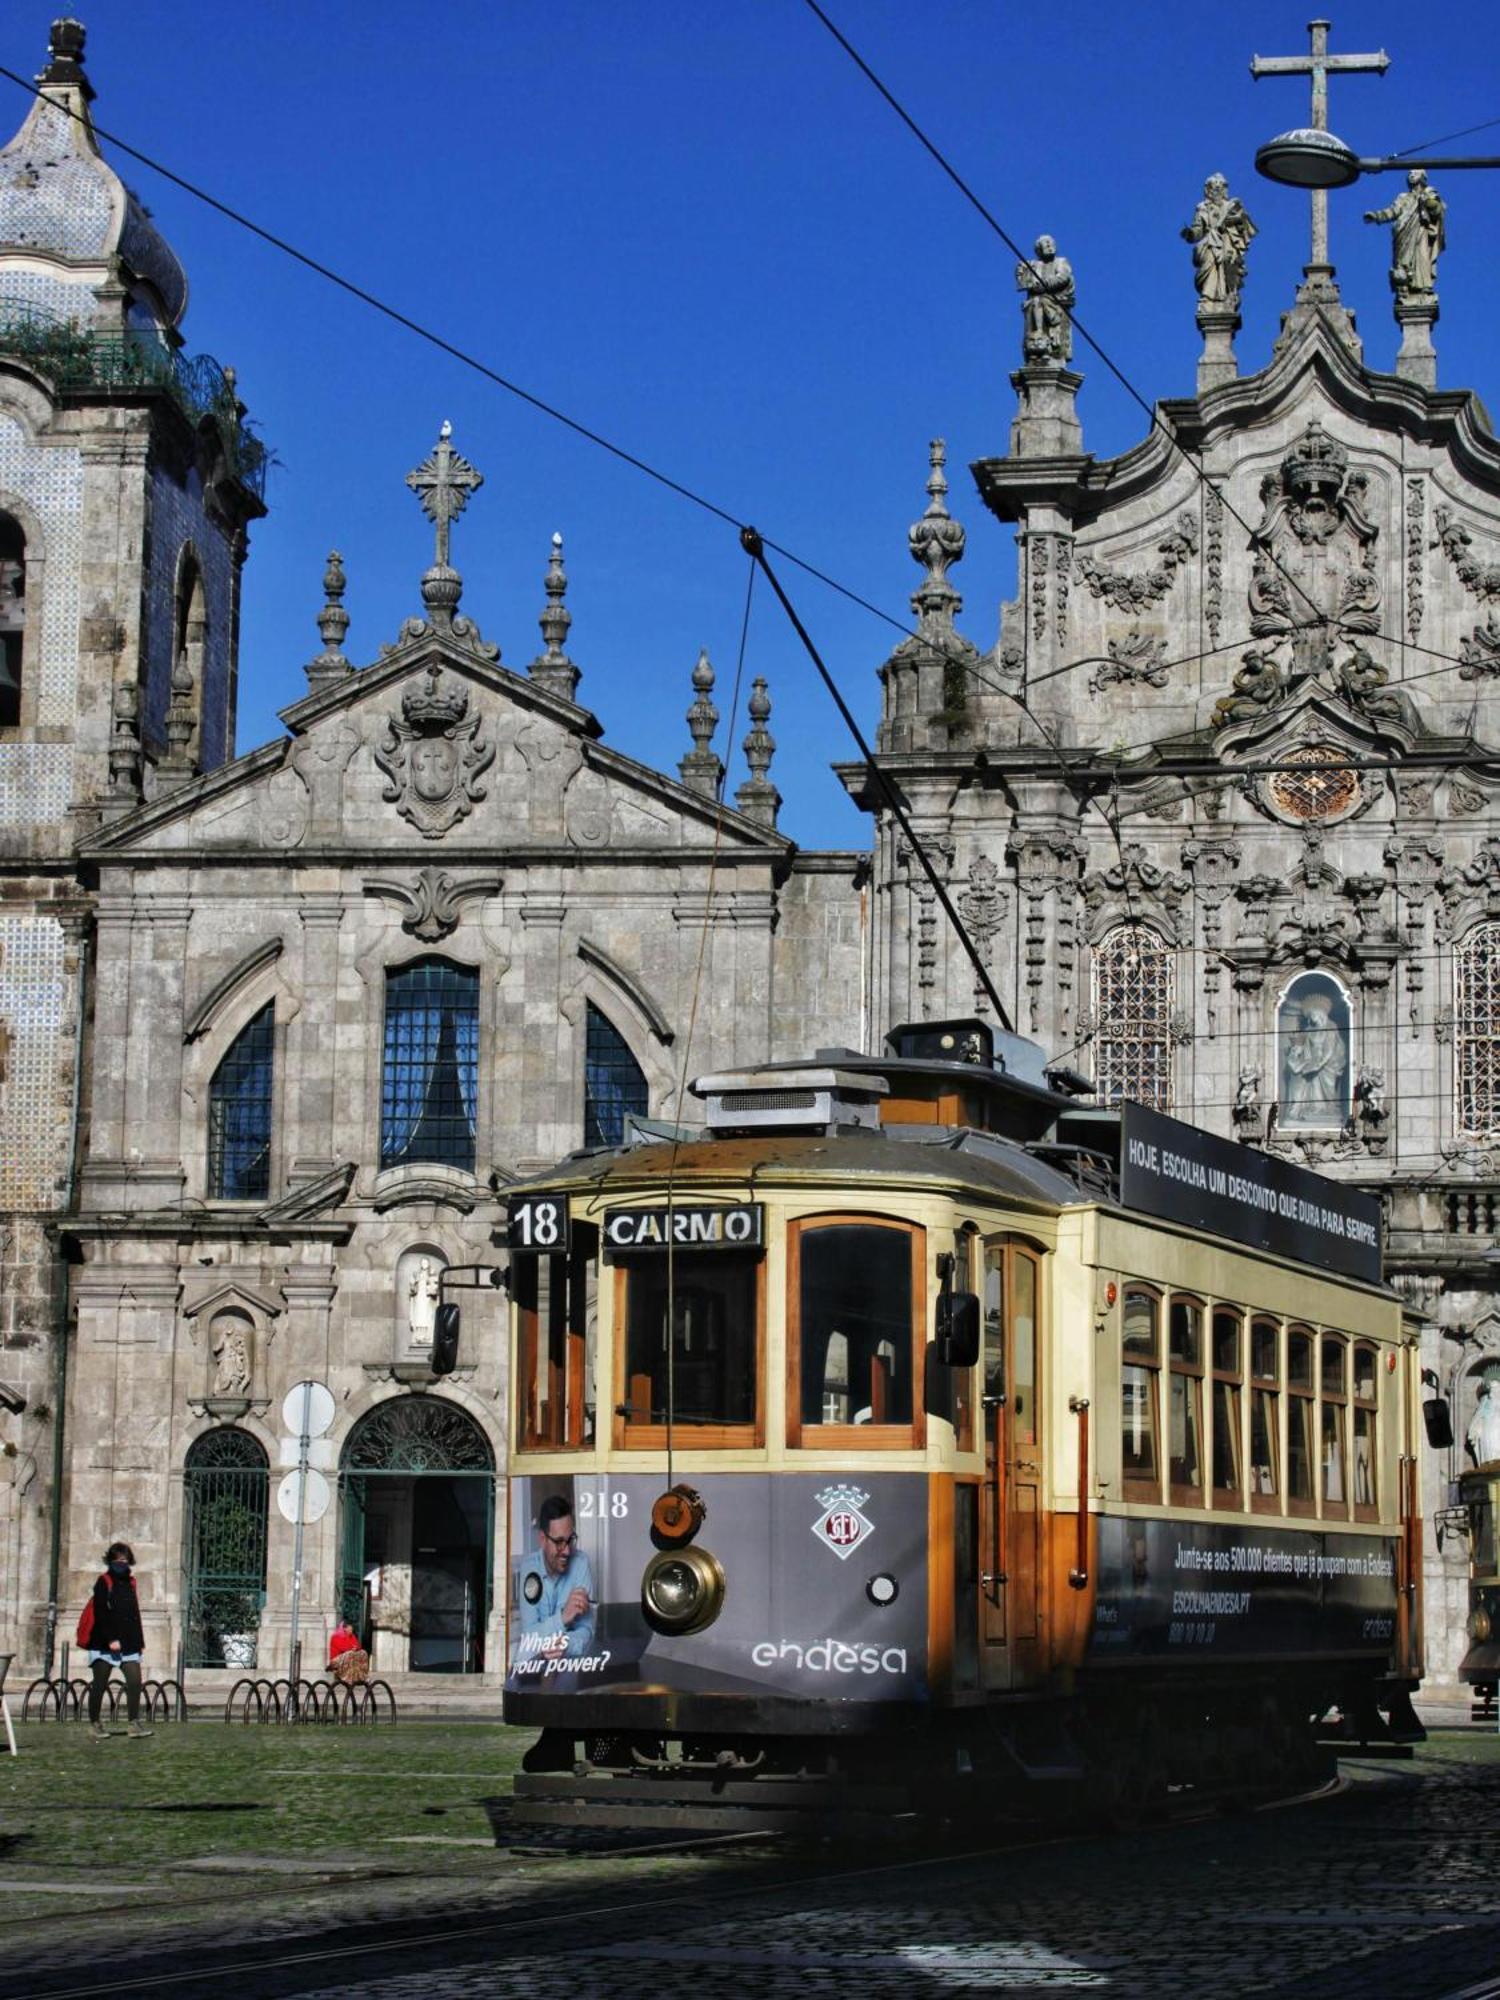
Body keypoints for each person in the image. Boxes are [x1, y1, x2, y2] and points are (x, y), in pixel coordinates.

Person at [77, 1542, 152, 1742]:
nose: (122, 1564)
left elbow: (134, 1613)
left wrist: (139, 1641)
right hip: (104, 1643)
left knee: (135, 1681)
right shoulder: (103, 1581)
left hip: (129, 1643)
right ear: (111, 1561)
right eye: (118, 1560)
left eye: (125, 1561)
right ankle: (95, 1723)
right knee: (100, 1684)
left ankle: (134, 1722)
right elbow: (101, 1612)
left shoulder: (131, 1582)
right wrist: (111, 1639)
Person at [516, 1495, 595, 1658]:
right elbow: (528, 1637)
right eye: (559, 1542)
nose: (566, 1551)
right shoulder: (529, 1568)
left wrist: (565, 1643)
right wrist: (563, 1617)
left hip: (569, 1662)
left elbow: (586, 1630)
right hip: (534, 1665)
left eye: (570, 1540)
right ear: (543, 1539)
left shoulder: (581, 1563)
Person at [1364, 168, 1446, 302]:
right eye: (1410, 173)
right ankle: (1405, 288)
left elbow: (1436, 210)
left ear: (1422, 177)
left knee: (1422, 257)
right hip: (1403, 233)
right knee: (1403, 263)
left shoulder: (1429, 193)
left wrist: (1428, 201)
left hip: (1420, 232)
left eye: (1414, 173)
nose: (1411, 175)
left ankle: (1423, 287)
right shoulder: (1403, 197)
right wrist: (1376, 216)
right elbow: (1392, 211)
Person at [1181, 173, 1257, 309]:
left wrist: (1237, 220)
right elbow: (1198, 230)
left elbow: (1244, 226)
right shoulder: (1202, 208)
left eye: (1219, 189)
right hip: (1210, 243)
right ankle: (1208, 297)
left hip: (1227, 243)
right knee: (1209, 264)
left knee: (1229, 262)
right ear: (1208, 191)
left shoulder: (1231, 206)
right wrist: (1190, 234)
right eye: (1213, 189)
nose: (1216, 192)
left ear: (1224, 190)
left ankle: (1229, 293)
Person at [1282, 995, 1347, 1128]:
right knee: (1311, 1085)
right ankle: (1314, 1109)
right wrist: (1299, 1054)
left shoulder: (1331, 1027)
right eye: (1309, 1017)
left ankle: (1327, 1109)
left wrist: (1320, 1064)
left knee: (1326, 1086)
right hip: (1312, 1062)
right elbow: (1303, 1047)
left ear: (1320, 1014)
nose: (1311, 1019)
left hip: (1327, 1064)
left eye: (1313, 1016)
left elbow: (1330, 1049)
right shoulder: (1309, 1030)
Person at [1016, 235, 1075, 364]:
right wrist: (1021, 271)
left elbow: (1063, 278)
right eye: (1045, 244)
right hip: (1037, 301)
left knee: (1041, 301)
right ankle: (1036, 338)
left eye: (1050, 243)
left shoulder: (1061, 262)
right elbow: (1022, 278)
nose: (1049, 245)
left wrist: (1043, 285)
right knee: (1034, 303)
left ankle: (1045, 340)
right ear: (1039, 250)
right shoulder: (1035, 265)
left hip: (1055, 300)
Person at [327, 1617, 370, 1685]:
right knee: (350, 1654)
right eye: (350, 1628)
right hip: (336, 1659)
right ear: (344, 1628)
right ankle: (347, 1678)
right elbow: (343, 1648)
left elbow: (358, 1646)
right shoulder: (336, 1636)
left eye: (351, 1628)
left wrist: (356, 1648)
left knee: (363, 1653)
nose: (351, 1630)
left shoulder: (352, 1636)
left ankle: (362, 1676)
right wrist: (352, 1648)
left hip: (348, 1654)